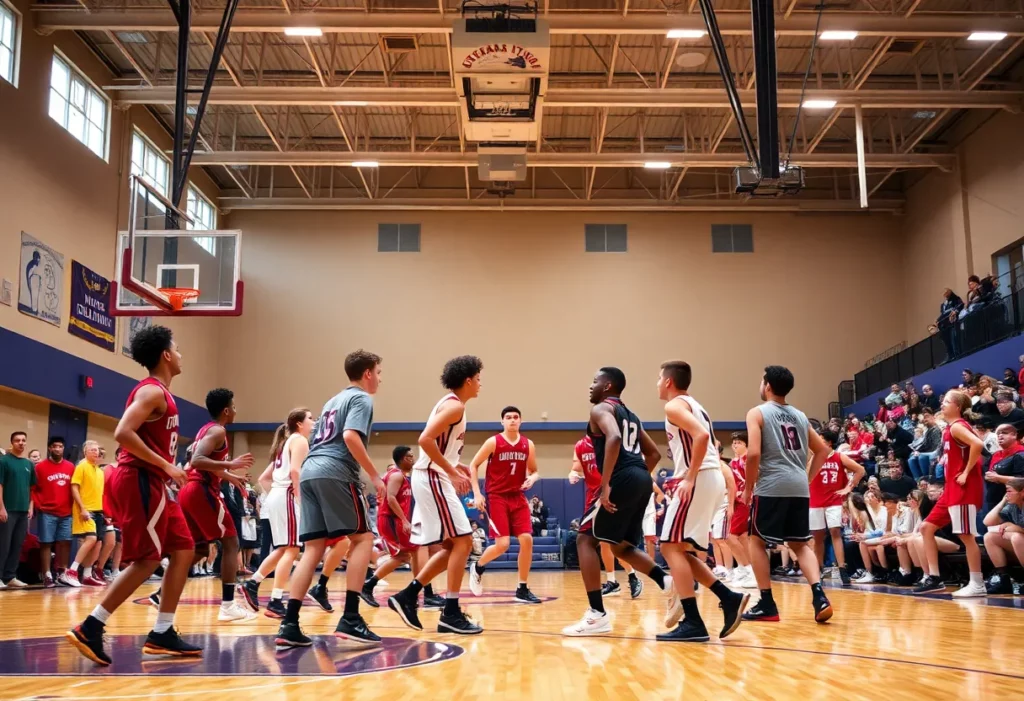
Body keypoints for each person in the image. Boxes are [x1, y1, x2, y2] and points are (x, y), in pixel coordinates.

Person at [66, 325, 199, 666]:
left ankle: (162, 632)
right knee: (149, 558)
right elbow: (122, 432)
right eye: (178, 349)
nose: (182, 354)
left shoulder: (162, 395)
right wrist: (167, 467)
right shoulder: (152, 392)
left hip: (153, 481)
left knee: (184, 549)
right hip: (140, 478)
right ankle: (91, 626)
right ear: (166, 355)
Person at [274, 350, 387, 648]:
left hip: (311, 470)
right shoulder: (362, 399)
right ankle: (350, 617)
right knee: (362, 539)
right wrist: (374, 475)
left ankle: (289, 624)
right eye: (378, 372)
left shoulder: (331, 402)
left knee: (312, 548)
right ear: (367, 373)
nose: (379, 378)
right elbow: (350, 437)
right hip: (335, 471)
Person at [562, 367, 674, 637]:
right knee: (621, 546)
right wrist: (636, 479)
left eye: (595, 381)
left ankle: (597, 615)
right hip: (641, 478)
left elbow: (612, 438)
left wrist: (606, 484)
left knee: (585, 540)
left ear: (608, 385)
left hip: (622, 477)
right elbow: (654, 454)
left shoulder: (601, 409)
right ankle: (668, 582)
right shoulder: (631, 415)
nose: (591, 386)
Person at [388, 356, 484, 635]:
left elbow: (440, 446)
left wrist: (454, 464)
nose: (480, 383)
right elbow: (425, 440)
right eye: (478, 378)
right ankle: (450, 613)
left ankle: (408, 596)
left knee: (453, 546)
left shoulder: (452, 403)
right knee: (464, 542)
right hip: (432, 478)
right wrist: (451, 472)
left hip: (432, 475)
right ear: (468, 380)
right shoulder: (454, 406)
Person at [655, 360, 748, 643]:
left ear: (669, 381)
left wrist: (690, 477)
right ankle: (728, 597)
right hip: (709, 479)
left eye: (659, 378)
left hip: (702, 477)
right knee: (682, 550)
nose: (657, 383)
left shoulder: (674, 406)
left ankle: (694, 621)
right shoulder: (696, 405)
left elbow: (702, 436)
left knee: (669, 547)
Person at [740, 366, 833, 624]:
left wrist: (748, 487)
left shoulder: (757, 413)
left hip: (772, 485)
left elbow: (754, 454)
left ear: (767, 385)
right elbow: (823, 451)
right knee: (800, 544)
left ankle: (767, 603)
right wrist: (807, 478)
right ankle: (819, 596)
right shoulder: (800, 416)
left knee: (756, 541)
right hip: (798, 487)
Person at [175, 388, 255, 623]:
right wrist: (232, 463)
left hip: (189, 491)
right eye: (234, 407)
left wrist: (230, 476)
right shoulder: (218, 430)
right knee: (231, 543)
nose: (236, 411)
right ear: (227, 410)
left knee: (199, 549)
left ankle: (162, 593)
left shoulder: (205, 430)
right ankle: (228, 605)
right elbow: (197, 460)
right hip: (201, 491)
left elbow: (206, 463)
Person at [914, 390, 986, 597]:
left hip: (963, 489)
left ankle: (977, 582)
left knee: (966, 535)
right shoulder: (948, 430)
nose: (942, 404)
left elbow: (978, 444)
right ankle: (934, 578)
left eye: (946, 401)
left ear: (957, 407)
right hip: (951, 489)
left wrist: (965, 471)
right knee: (926, 527)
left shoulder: (957, 426)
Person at [244, 408, 314, 618]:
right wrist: (302, 500)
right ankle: (275, 601)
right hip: (287, 497)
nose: (314, 421)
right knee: (291, 549)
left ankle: (253, 584)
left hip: (277, 495)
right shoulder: (300, 440)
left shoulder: (286, 442)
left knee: (284, 549)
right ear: (299, 423)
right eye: (310, 418)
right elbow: (295, 471)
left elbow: (267, 478)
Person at [468, 406, 542, 604]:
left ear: (521, 421)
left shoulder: (528, 444)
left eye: (516, 417)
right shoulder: (493, 442)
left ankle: (522, 588)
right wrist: (477, 493)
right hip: (497, 496)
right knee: (503, 544)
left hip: (517, 496)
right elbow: (473, 465)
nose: (512, 420)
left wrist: (532, 479)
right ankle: (478, 566)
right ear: (502, 422)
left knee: (527, 540)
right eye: (508, 417)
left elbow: (534, 470)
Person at [570, 434, 642, 598]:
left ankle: (632, 576)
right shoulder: (580, 445)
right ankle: (614, 581)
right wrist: (572, 474)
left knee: (610, 541)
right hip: (592, 497)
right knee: (602, 542)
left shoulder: (612, 441)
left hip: (611, 494)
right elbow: (576, 467)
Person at [362, 447, 425, 605]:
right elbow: (390, 499)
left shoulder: (402, 476)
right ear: (403, 459)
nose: (413, 459)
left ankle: (417, 592)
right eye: (410, 456)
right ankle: (368, 586)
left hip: (393, 519)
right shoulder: (397, 475)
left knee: (415, 550)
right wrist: (404, 520)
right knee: (403, 556)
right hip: (391, 520)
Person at [811, 431, 865, 586]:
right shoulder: (812, 457)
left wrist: (849, 488)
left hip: (834, 499)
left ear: (829, 442)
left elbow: (860, 470)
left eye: (820, 439)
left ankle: (842, 568)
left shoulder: (839, 456)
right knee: (818, 536)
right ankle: (819, 568)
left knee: (835, 531)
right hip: (815, 500)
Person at [66, 441, 112, 587]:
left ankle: (87, 574)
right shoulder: (81, 467)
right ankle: (71, 571)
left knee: (97, 543)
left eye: (97, 450)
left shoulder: (99, 471)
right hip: (85, 510)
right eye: (92, 450)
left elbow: (101, 494)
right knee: (90, 539)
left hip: (99, 511)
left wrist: (105, 512)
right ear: (85, 452)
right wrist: (82, 509)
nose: (96, 452)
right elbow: (74, 488)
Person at [32, 436, 74, 587]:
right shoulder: (40, 467)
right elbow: (33, 489)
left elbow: (74, 489)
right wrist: (39, 506)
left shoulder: (70, 467)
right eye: (54, 446)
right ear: (49, 448)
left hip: (66, 512)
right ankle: (47, 574)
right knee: (46, 543)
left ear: (63, 449)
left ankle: (62, 573)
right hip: (47, 512)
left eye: (60, 446)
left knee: (65, 542)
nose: (57, 449)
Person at [0, 431, 35, 589]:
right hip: (8, 510)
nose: (21, 443)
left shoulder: (29, 464)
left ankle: (10, 576)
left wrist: (30, 506)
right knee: (3, 544)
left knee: (17, 545)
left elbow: (31, 487)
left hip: (23, 511)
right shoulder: (4, 461)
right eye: (17, 440)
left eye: (23, 440)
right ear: (12, 443)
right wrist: (1, 507)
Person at [724, 433, 757, 589]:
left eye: (738, 442)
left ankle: (747, 570)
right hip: (735, 501)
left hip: (746, 501)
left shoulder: (749, 460)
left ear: (746, 445)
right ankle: (748, 570)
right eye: (734, 443)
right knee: (743, 537)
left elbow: (754, 480)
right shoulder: (733, 462)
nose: (735, 445)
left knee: (729, 536)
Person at [981, 477, 1024, 594]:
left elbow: (1017, 531)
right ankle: (1004, 581)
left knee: (1016, 537)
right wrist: (1002, 501)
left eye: (1009, 491)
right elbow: (987, 521)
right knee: (989, 537)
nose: (1007, 494)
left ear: (1022, 492)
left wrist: (1016, 528)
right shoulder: (1013, 506)